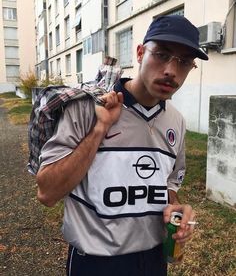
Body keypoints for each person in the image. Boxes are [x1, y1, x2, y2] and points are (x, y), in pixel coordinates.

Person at [36, 15, 208, 276]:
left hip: (153, 261)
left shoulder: (176, 121)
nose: (171, 70)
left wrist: (175, 206)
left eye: (184, 62)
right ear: (140, 53)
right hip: (96, 263)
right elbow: (47, 193)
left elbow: (169, 183)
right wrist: (99, 130)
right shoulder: (88, 107)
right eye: (161, 54)